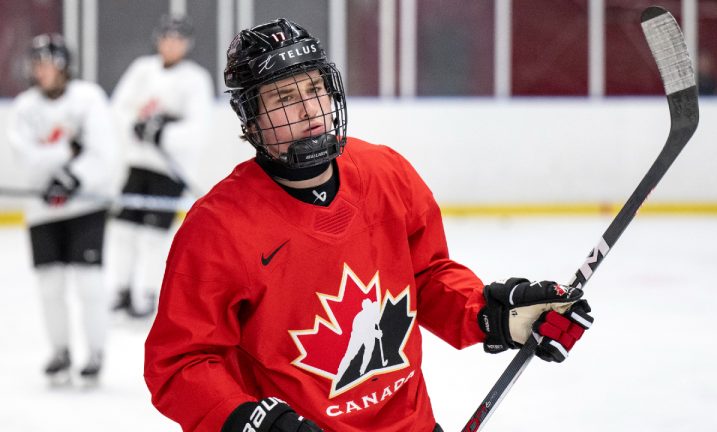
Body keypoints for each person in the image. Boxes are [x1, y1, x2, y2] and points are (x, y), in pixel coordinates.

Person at [144, 19, 594, 432]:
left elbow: (428, 276)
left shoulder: (385, 172)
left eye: (315, 89)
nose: (309, 110)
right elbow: (180, 362)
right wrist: (249, 420)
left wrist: (491, 314)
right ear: (250, 119)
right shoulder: (217, 227)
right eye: (284, 99)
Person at [7, 33, 119, 384]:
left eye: (49, 64)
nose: (42, 71)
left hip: (84, 206)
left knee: (89, 283)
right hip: (41, 210)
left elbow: (103, 152)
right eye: (37, 64)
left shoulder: (88, 99)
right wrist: (67, 153)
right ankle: (60, 351)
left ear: (64, 66)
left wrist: (73, 179)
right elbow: (24, 159)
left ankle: (96, 352)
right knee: (50, 286)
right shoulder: (24, 107)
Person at [108, 14, 214, 318]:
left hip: (170, 171)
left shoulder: (195, 79)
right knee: (124, 228)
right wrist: (137, 126)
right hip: (139, 163)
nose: (171, 45)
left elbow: (198, 129)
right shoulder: (142, 69)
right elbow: (120, 107)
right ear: (158, 40)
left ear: (186, 44)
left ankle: (148, 292)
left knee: (154, 235)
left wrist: (163, 133)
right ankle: (121, 288)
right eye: (167, 38)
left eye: (177, 40)